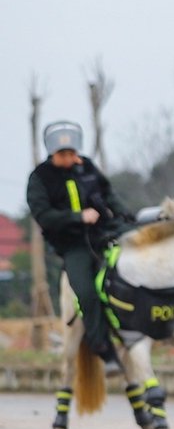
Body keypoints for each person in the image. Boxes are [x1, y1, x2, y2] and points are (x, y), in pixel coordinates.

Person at [26, 120, 134, 371]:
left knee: (143, 244)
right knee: (85, 292)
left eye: (73, 152)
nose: (71, 158)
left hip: (104, 231)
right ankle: (103, 348)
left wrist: (125, 216)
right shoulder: (40, 178)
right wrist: (77, 217)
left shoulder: (86, 167)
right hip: (74, 245)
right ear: (53, 153)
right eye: (64, 154)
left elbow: (109, 195)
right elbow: (44, 216)